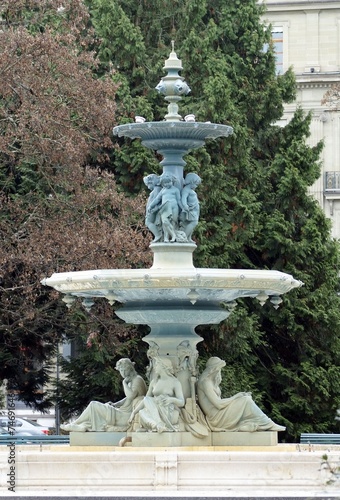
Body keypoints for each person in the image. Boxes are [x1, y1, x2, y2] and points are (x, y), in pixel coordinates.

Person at [197, 357, 286, 432]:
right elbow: (219, 404)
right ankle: (268, 424)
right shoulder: (205, 382)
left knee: (245, 398)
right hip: (216, 418)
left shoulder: (211, 382)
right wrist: (237, 396)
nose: (220, 371)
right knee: (246, 400)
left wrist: (238, 397)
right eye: (219, 369)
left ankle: (249, 425)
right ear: (214, 369)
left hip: (220, 414)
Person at [60, 358, 147, 432]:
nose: (122, 373)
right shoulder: (132, 380)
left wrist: (124, 383)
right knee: (95, 408)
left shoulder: (137, 380)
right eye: (120, 370)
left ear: (130, 368)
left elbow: (131, 396)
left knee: (93, 405)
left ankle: (76, 424)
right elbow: (128, 399)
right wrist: (115, 404)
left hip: (126, 416)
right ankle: (82, 426)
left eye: (124, 370)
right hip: (123, 412)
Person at [129, 357, 185, 433]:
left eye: (157, 365)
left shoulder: (175, 382)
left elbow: (182, 402)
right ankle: (157, 425)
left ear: (163, 367)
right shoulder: (154, 382)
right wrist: (134, 412)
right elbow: (146, 400)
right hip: (154, 408)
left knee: (146, 403)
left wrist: (171, 399)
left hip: (166, 410)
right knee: (142, 412)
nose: (155, 367)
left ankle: (157, 425)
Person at [147, 173, 183, 243]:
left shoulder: (175, 190)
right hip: (165, 208)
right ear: (162, 184)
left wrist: (183, 208)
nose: (167, 184)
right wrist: (150, 206)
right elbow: (157, 199)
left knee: (173, 222)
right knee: (165, 222)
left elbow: (179, 200)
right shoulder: (163, 190)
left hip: (174, 207)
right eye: (165, 183)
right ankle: (167, 236)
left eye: (169, 182)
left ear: (172, 181)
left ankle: (172, 237)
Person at [180, 172, 201, 242]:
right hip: (190, 209)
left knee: (193, 223)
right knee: (193, 222)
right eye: (196, 184)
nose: (196, 186)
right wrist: (185, 206)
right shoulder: (186, 189)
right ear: (191, 182)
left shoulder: (191, 190)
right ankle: (184, 236)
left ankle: (188, 238)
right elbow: (183, 198)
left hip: (194, 209)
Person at [143, 174, 162, 242]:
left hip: (153, 210)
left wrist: (153, 208)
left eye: (148, 184)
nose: (148, 187)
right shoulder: (156, 189)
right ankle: (158, 235)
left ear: (152, 182)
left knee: (148, 222)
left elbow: (157, 200)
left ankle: (158, 235)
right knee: (148, 222)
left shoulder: (157, 189)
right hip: (151, 210)